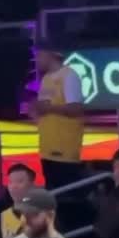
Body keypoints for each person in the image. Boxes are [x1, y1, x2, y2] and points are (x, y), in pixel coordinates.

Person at [28, 43, 84, 191]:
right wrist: (35, 110)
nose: (36, 60)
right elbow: (44, 109)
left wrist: (50, 108)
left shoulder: (69, 76)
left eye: (39, 55)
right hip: (47, 147)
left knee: (66, 194)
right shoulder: (46, 78)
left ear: (51, 54)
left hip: (64, 149)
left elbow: (76, 108)